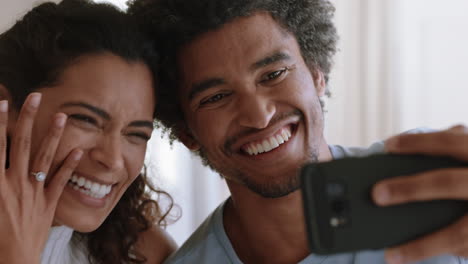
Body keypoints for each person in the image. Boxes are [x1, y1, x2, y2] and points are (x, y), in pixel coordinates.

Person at [128, 0, 468, 263]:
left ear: (317, 73)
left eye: (274, 74)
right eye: (216, 97)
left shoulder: (436, 185)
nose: (259, 116)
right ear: (186, 132)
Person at [0, 0, 177, 263]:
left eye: (136, 134)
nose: (113, 160)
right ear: (7, 107)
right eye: (86, 120)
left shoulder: (140, 251)